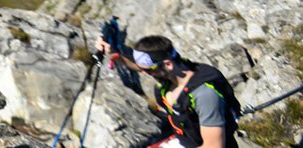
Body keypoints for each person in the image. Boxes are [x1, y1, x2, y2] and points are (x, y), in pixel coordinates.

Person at [97, 35, 241, 148]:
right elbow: (142, 66)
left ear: (168, 64)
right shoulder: (174, 71)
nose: (144, 73)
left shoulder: (204, 95)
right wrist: (115, 55)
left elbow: (214, 146)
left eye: (148, 71)